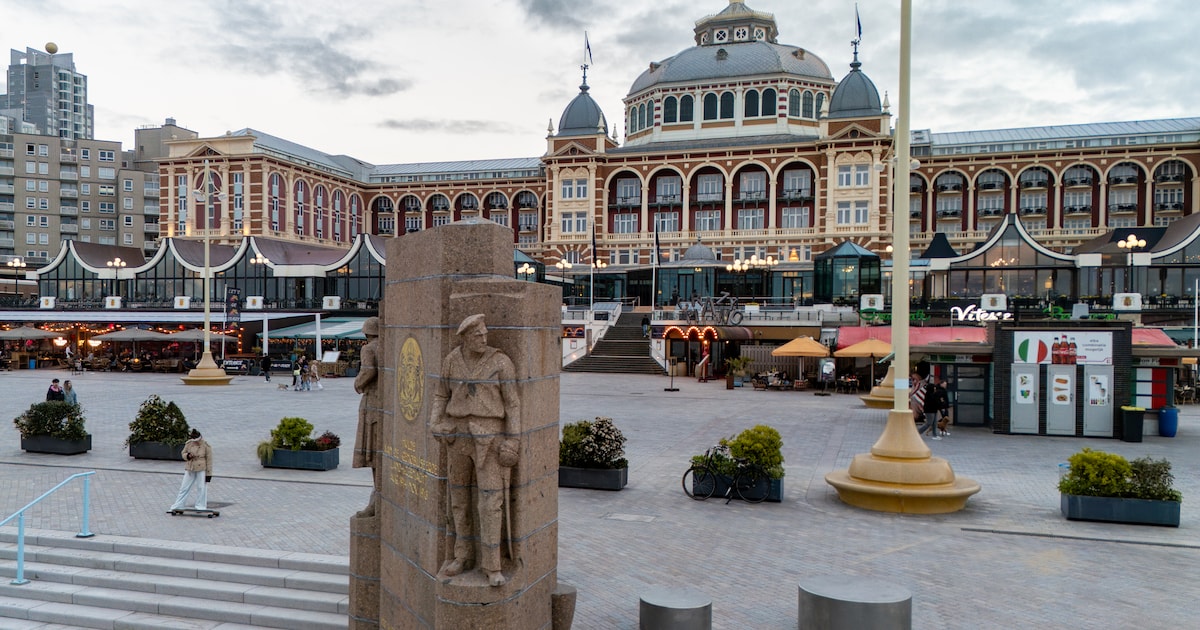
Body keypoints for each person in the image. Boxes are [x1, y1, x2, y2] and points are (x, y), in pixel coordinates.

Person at [432, 314, 520, 587]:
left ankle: (492, 565)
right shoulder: (451, 360)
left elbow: (513, 403)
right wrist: (434, 422)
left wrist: (513, 440)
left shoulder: (500, 361)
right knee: (458, 498)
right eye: (478, 335)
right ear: (466, 338)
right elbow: (440, 395)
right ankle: (462, 555)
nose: (484, 338)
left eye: (484, 333)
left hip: (489, 438)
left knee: (490, 502)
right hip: (457, 436)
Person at [352, 317, 382, 518]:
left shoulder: (369, 348)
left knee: (373, 456)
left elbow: (368, 370)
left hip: (372, 404)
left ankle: (377, 499)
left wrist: (357, 383)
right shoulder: (387, 346)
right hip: (384, 404)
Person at [169, 429, 213, 512]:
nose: (195, 442)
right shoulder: (189, 444)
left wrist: (208, 474)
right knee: (184, 487)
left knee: (201, 488)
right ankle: (179, 504)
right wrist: (188, 456)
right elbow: (183, 453)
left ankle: (200, 505)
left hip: (201, 468)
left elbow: (209, 461)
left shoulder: (206, 446)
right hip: (190, 468)